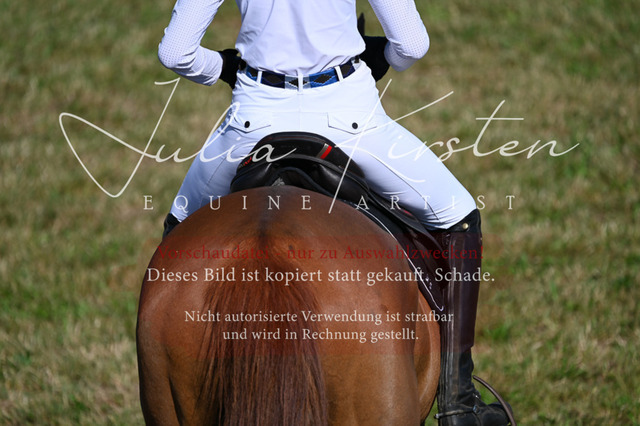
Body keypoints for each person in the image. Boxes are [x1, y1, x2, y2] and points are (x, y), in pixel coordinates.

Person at [157, 1, 511, 424]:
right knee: (459, 213)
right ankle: (459, 402)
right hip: (349, 117)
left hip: (253, 120)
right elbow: (412, 44)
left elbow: (175, 52)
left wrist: (226, 67)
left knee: (181, 231)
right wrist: (380, 56)